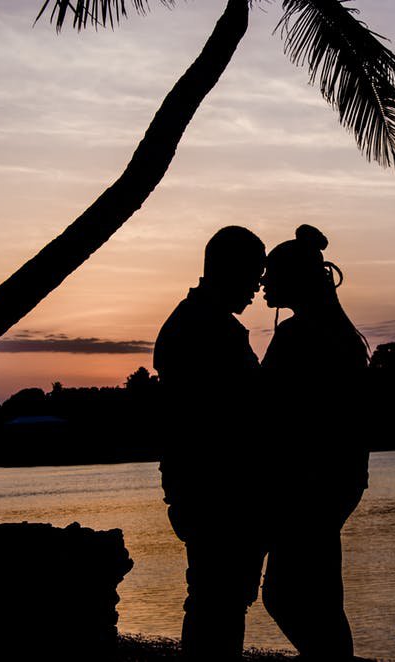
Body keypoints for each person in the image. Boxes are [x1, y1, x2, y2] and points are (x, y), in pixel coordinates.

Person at [152, 225, 267, 660]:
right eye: (254, 275)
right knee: (217, 600)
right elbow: (227, 417)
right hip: (216, 490)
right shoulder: (206, 329)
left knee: (217, 598)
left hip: (201, 487)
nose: (258, 288)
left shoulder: (198, 322)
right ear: (229, 270)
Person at [259, 224, 370, 660]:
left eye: (271, 273)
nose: (263, 282)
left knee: (285, 595)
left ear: (293, 279)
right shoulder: (334, 332)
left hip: (310, 481)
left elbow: (272, 408)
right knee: (320, 592)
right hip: (337, 478)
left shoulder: (299, 335)